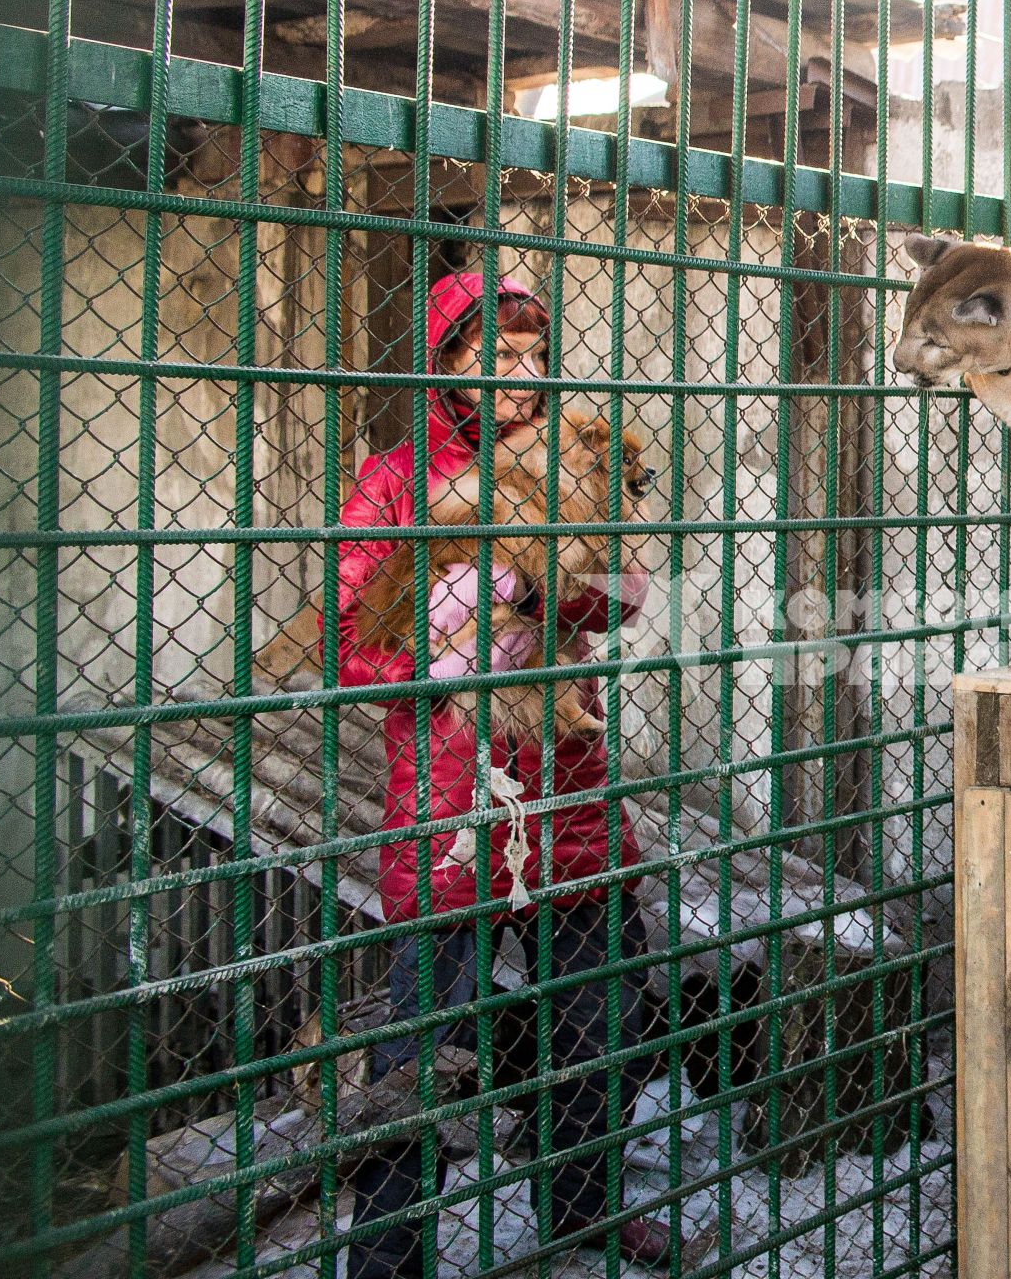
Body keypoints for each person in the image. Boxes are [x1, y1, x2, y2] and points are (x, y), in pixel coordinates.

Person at [333, 271, 674, 1272]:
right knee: (420, 1049)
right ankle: (391, 1255)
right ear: (447, 372)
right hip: (451, 805)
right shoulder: (396, 481)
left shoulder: (573, 449)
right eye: (494, 360)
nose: (521, 378)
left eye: (534, 357)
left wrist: (575, 577)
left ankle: (584, 1203)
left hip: (565, 784)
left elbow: (617, 596)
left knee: (595, 1014)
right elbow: (346, 639)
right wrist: (433, 664)